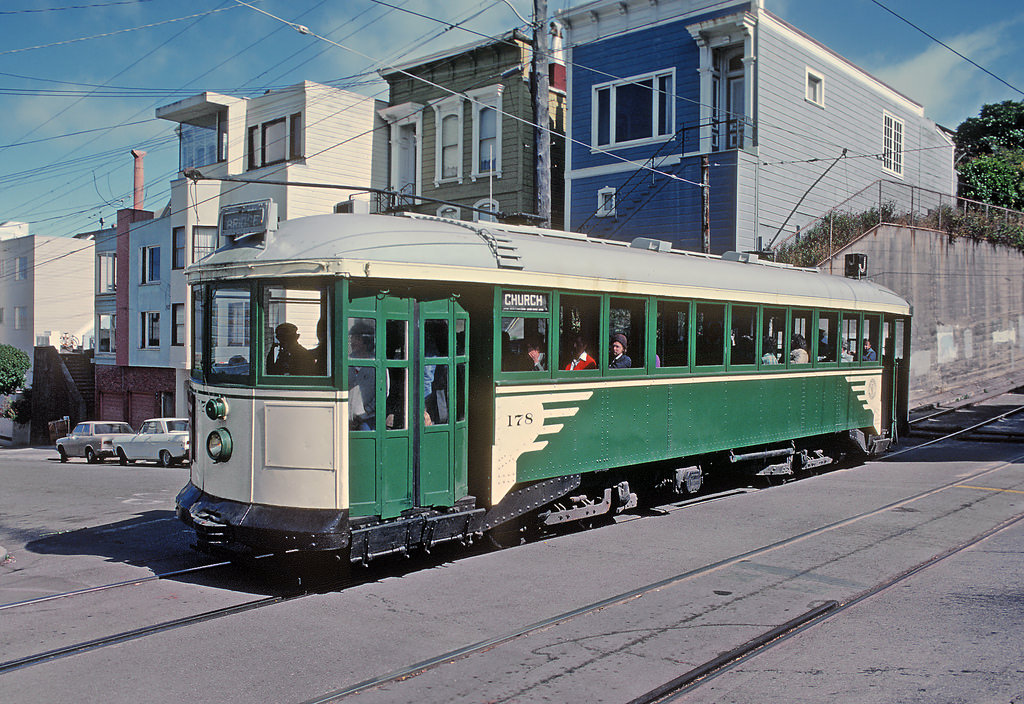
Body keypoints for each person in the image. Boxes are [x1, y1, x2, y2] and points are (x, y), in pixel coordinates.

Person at [348, 323, 376, 430]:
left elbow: (383, 393)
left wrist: (366, 411)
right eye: (352, 338)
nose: (353, 342)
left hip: (367, 421)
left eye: (357, 339)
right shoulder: (346, 361)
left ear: (366, 342)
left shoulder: (375, 365)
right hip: (345, 418)